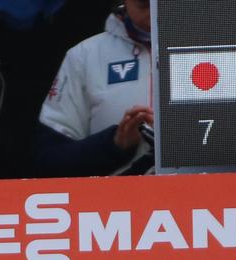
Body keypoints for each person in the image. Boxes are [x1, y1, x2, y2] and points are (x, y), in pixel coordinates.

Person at [34, 0, 154, 177]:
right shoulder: (84, 55)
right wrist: (115, 143)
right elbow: (49, 161)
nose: (155, 14)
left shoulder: (200, 48)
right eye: (144, 5)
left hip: (192, 192)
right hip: (118, 194)